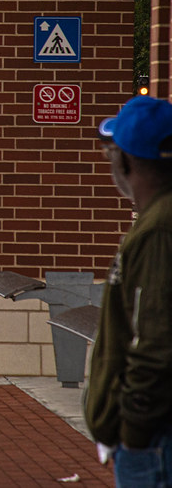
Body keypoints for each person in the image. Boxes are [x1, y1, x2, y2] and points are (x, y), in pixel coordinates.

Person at [84, 95, 172, 487]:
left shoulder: (159, 231)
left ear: (125, 160)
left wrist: (132, 431)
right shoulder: (155, 220)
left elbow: (155, 342)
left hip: (153, 442)